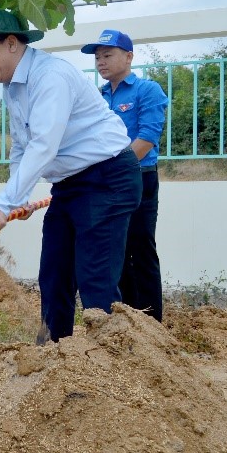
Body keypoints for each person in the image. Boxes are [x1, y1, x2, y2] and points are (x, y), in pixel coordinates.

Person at [0, 8, 142, 342]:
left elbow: (43, 145)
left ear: (11, 43)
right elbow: (22, 148)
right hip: (70, 185)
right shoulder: (13, 87)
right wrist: (14, 201)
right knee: (54, 274)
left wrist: (4, 202)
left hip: (107, 178)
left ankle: (111, 366)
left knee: (94, 277)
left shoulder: (50, 76)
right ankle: (53, 353)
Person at [83, 29, 169, 321]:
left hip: (139, 178)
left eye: (107, 55)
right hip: (105, 183)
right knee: (114, 250)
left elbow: (146, 138)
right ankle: (124, 321)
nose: (100, 62)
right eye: (97, 58)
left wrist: (117, 170)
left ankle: (151, 324)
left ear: (129, 56)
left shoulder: (148, 90)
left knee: (140, 248)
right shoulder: (98, 96)